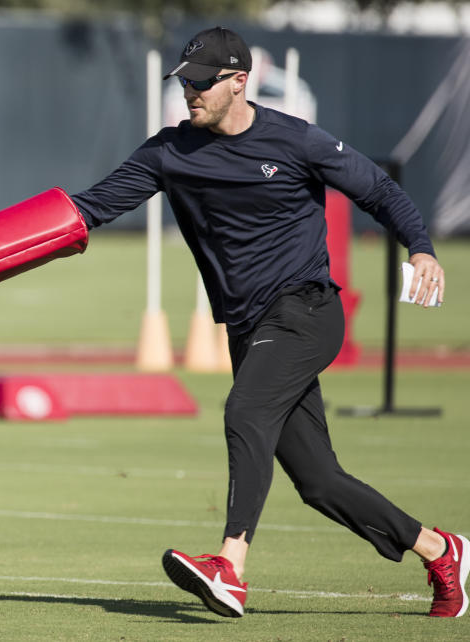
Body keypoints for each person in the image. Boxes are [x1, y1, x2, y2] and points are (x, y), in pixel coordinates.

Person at [69, 26, 466, 618]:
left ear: (237, 81)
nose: (190, 93)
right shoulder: (167, 151)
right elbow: (90, 207)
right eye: (185, 83)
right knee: (319, 481)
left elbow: (379, 190)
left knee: (245, 411)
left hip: (307, 310)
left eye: (202, 82)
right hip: (249, 328)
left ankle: (230, 565)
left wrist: (421, 248)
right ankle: (442, 550)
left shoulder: (295, 140)